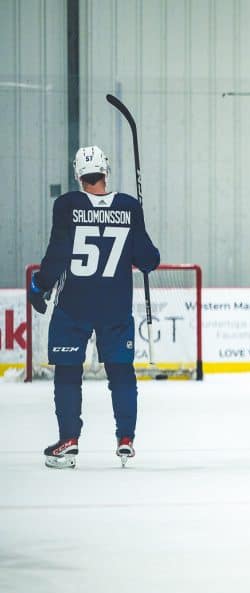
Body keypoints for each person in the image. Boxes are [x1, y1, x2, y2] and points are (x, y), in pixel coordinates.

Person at [28, 146, 160, 468]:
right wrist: (137, 225)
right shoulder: (128, 206)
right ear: (106, 171)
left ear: (78, 174)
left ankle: (69, 440)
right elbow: (148, 260)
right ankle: (125, 438)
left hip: (74, 304)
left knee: (68, 372)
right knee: (121, 372)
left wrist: (39, 286)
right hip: (115, 306)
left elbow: (57, 254)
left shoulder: (67, 205)